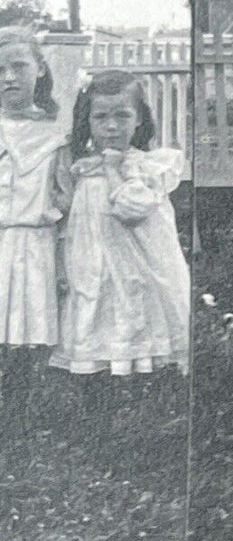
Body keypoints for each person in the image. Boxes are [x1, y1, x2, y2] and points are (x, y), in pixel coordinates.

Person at [49, 71, 190, 388]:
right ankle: (98, 377)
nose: (111, 126)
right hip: (91, 256)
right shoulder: (83, 167)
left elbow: (132, 209)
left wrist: (114, 171)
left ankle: (137, 377)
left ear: (139, 119)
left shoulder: (147, 165)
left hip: (136, 258)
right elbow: (68, 216)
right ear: (88, 120)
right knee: (95, 304)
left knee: (132, 305)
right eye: (100, 117)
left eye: (122, 115)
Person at [0, 29, 71, 447]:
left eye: (18, 67)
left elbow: (66, 199)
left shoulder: (55, 134)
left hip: (36, 245)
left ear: (40, 69)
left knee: (28, 334)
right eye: (0, 70)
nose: (8, 77)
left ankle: (18, 424)